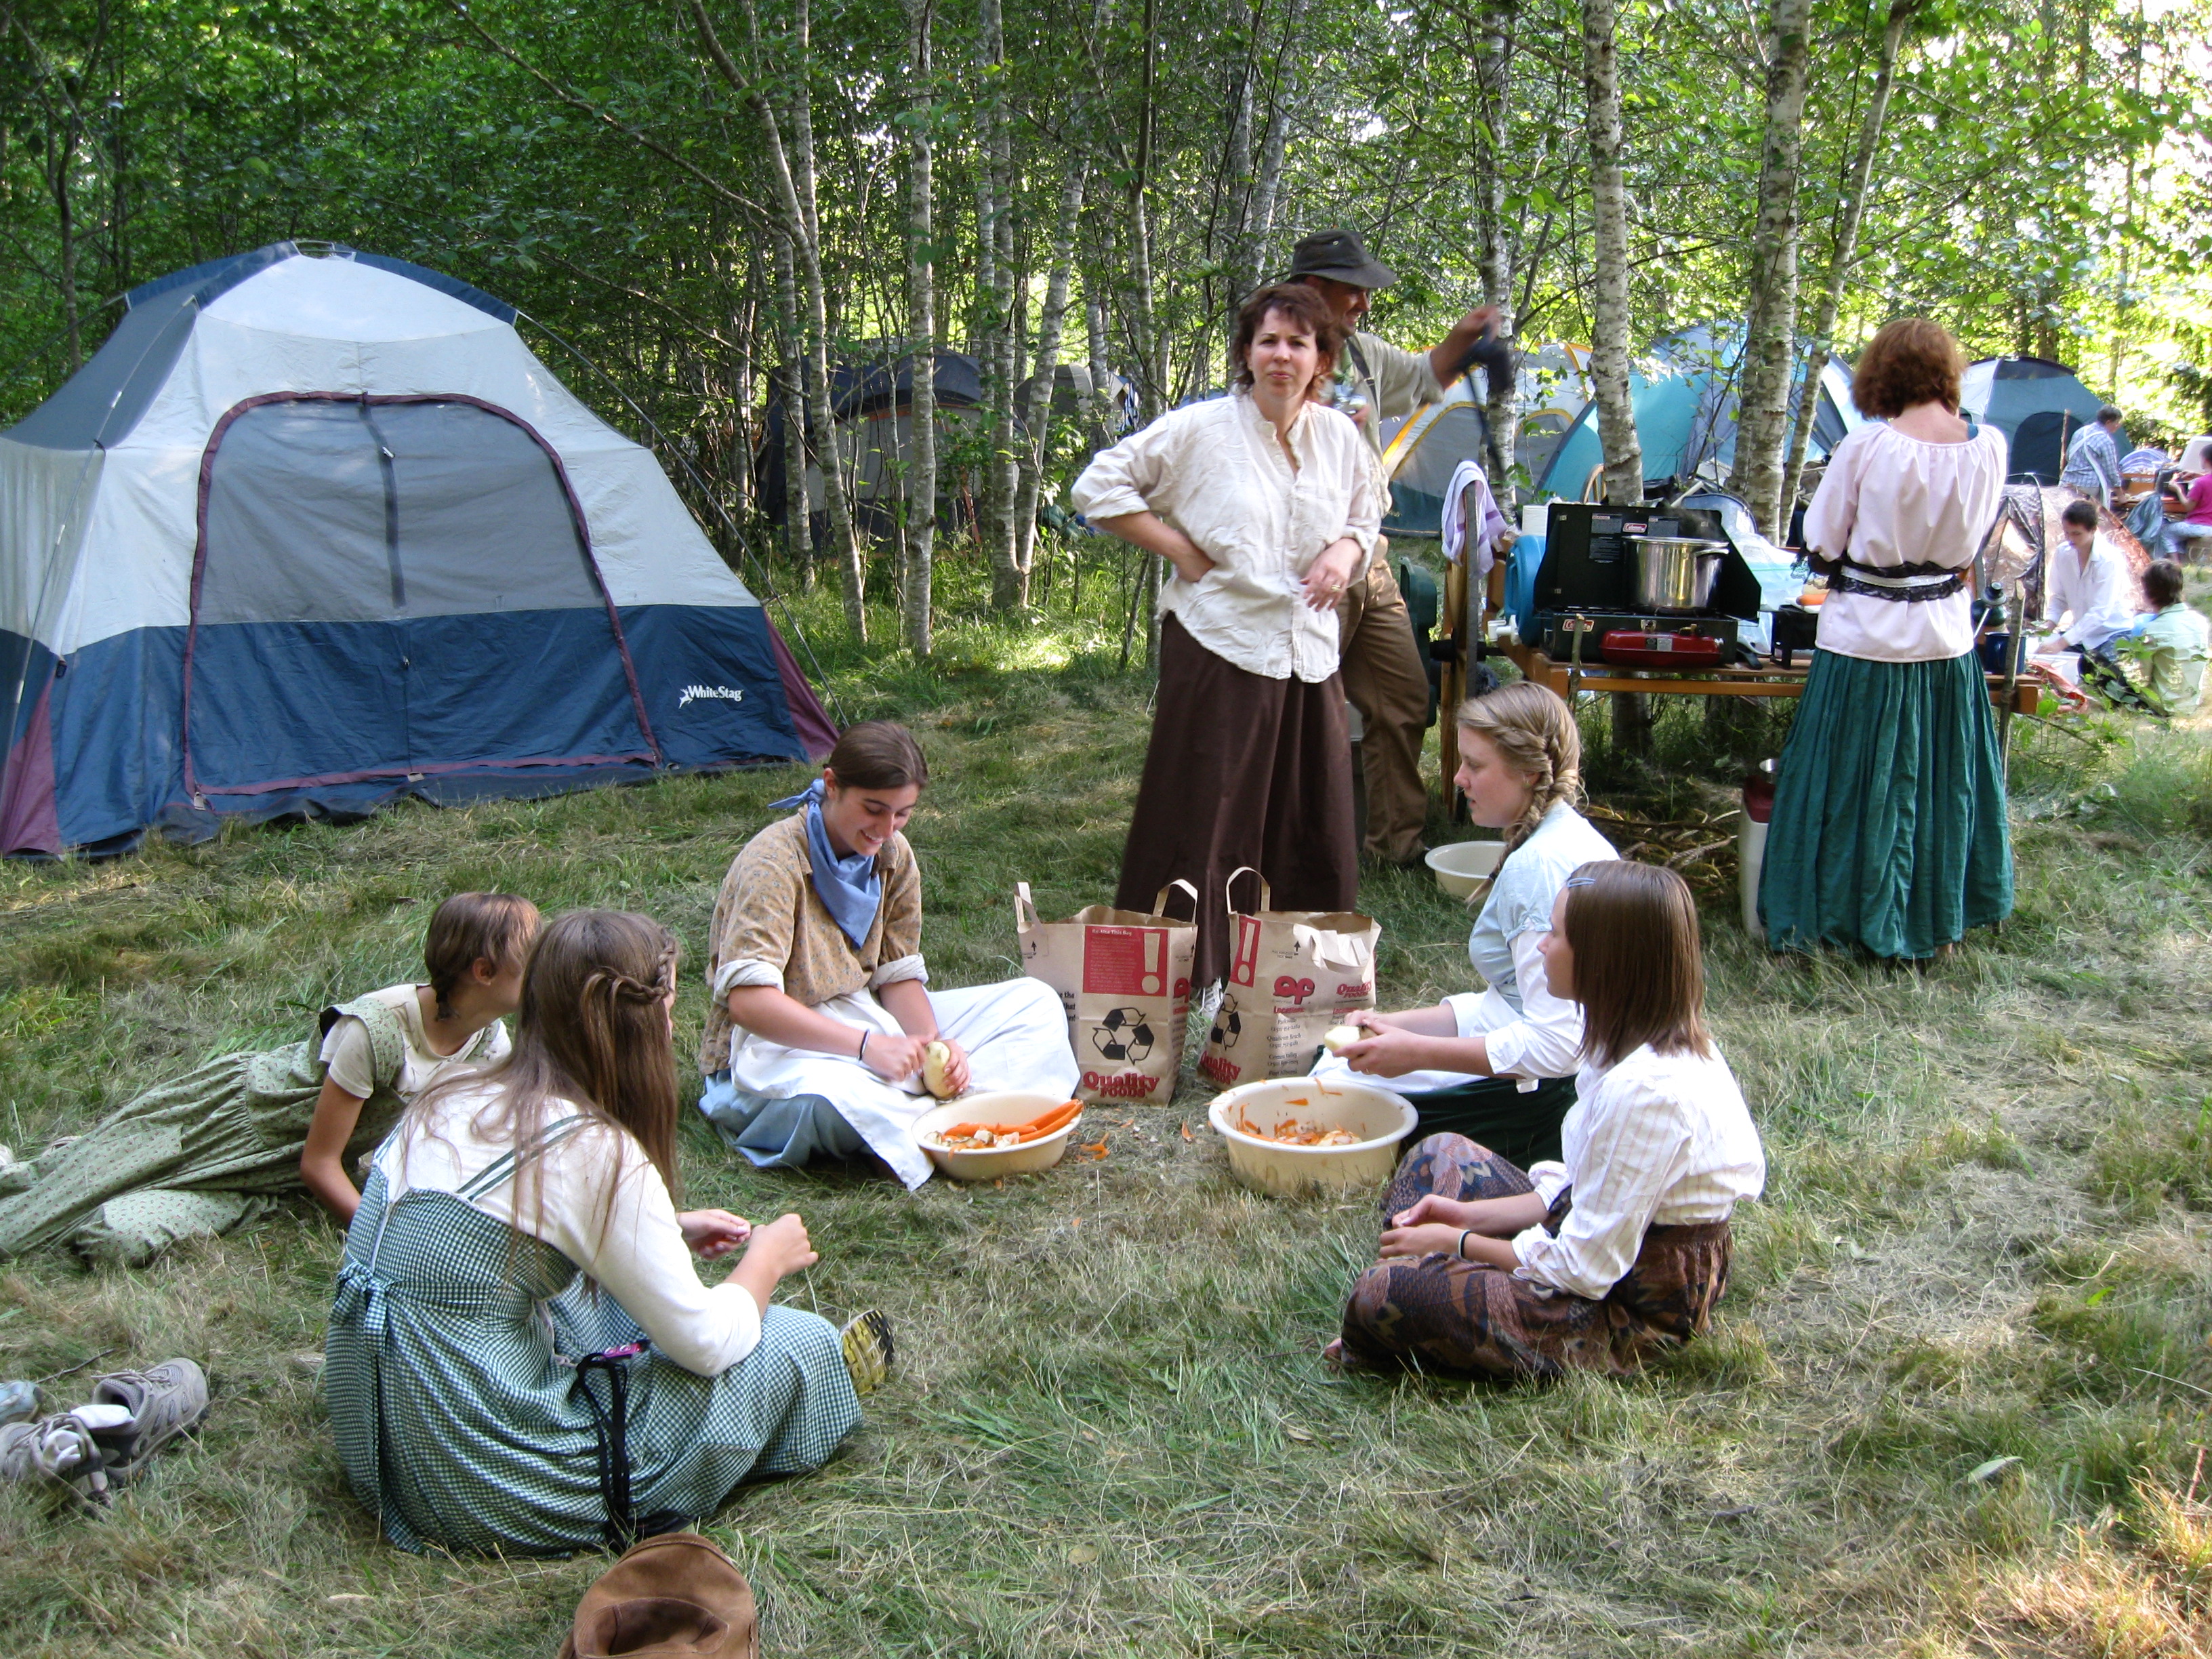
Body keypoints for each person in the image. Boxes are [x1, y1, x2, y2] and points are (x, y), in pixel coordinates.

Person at [325, 909, 876, 1557]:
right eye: (669, 1012)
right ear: (637, 1024)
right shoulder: (595, 1153)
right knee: (791, 1341)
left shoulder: (452, 1097)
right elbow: (704, 1343)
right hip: (478, 1484)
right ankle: (818, 1379)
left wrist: (667, 1228)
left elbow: (501, 1234)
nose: (672, 1030)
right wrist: (765, 1261)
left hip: (376, 1435)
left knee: (600, 1301)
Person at [1330, 861, 1764, 1381]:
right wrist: (1462, 1218)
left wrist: (1455, 1243)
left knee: (1385, 1296)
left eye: (1556, 935)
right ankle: (1424, 1283)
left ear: (1604, 962)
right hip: (1591, 1242)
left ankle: (1410, 1296)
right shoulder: (1620, 1043)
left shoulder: (1650, 1093)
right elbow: (1573, 1191)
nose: (1541, 948)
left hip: (1628, 1306)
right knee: (1438, 1153)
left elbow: (1583, 1269)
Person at [1071, 283, 1380, 985]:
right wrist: (1178, 549)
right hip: (1222, 644)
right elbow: (1098, 487)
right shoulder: (1202, 430)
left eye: (1299, 343)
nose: (1282, 355)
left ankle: (1297, 981)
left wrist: (1345, 552)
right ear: (1246, 352)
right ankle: (1190, 981)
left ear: (1321, 358)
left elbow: (1367, 513)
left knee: (1312, 824)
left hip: (1309, 653)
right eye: (1268, 340)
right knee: (1205, 824)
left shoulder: (1338, 436)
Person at [0, 892, 536, 1266]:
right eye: (532, 958)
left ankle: (121, 1169)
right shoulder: (374, 1030)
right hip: (220, 1130)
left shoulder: (489, 1043)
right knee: (22, 1224)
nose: (544, 968)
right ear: (484, 973)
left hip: (274, 1177)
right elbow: (319, 1163)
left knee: (114, 1238)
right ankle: (80, 1157)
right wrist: (389, 1239)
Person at [694, 722, 1076, 1189]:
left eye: (902, 814)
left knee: (1034, 1003)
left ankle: (931, 1111)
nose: (885, 829)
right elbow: (748, 1004)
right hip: (771, 1047)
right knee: (830, 1101)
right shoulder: (774, 861)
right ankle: (947, 1117)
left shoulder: (893, 855)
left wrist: (937, 1048)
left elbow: (896, 976)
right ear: (832, 785)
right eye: (874, 810)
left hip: (865, 1020)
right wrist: (866, 1048)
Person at [1759, 318, 2013, 960]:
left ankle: (1839, 920)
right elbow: (1976, 539)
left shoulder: (1868, 447)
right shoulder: (1990, 446)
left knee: (1848, 780)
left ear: (1882, 375)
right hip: (1944, 640)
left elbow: (1821, 539)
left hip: (1863, 640)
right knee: (1932, 783)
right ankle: (1934, 920)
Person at [1313, 683, 1616, 1168]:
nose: (1458, 778)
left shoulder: (1539, 869)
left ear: (1530, 773)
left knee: (1330, 1093)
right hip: (1546, 1071)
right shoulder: (1561, 835)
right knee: (1333, 1061)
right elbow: (1511, 1005)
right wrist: (1397, 1027)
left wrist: (1416, 1054)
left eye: (1475, 765)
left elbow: (1558, 1046)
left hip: (1549, 1096)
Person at [1285, 228, 1513, 867]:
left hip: (1369, 558)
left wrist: (1465, 341)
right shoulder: (1281, 354)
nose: (1362, 303)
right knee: (1296, 713)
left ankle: (1395, 847)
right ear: (1312, 286)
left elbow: (1425, 375)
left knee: (1404, 700)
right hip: (1310, 565)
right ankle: (1290, 846)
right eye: (1352, 290)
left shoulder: (1360, 353)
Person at [2039, 497, 2150, 709]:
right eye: (2067, 533)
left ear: (2093, 530)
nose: (2071, 539)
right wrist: (2050, 624)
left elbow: (2101, 613)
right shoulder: (2064, 554)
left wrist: (2062, 643)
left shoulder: (2109, 560)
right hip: (2082, 633)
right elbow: (2059, 596)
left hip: (2112, 633)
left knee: (2106, 677)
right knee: (2043, 659)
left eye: (2077, 534)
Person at [2136, 560, 2209, 715]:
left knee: (2094, 663)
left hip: (2162, 706)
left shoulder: (2152, 630)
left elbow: (2139, 681)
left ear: (2149, 592)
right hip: (2191, 703)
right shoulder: (2201, 622)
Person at [2060, 405, 2126, 506]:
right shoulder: (2105, 441)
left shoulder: (2081, 432)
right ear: (2108, 422)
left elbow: (2069, 455)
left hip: (2068, 481)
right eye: (2117, 423)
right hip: (2088, 486)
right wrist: (2120, 495)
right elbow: (2111, 471)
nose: (2118, 426)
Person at [2159, 451, 2212, 562]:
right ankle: (2184, 560)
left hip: (2199, 525)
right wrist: (2196, 475)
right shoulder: (2202, 479)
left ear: (2205, 460)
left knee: (2166, 531)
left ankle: (2175, 563)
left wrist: (2178, 489)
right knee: (2179, 533)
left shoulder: (2200, 483)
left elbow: (2188, 506)